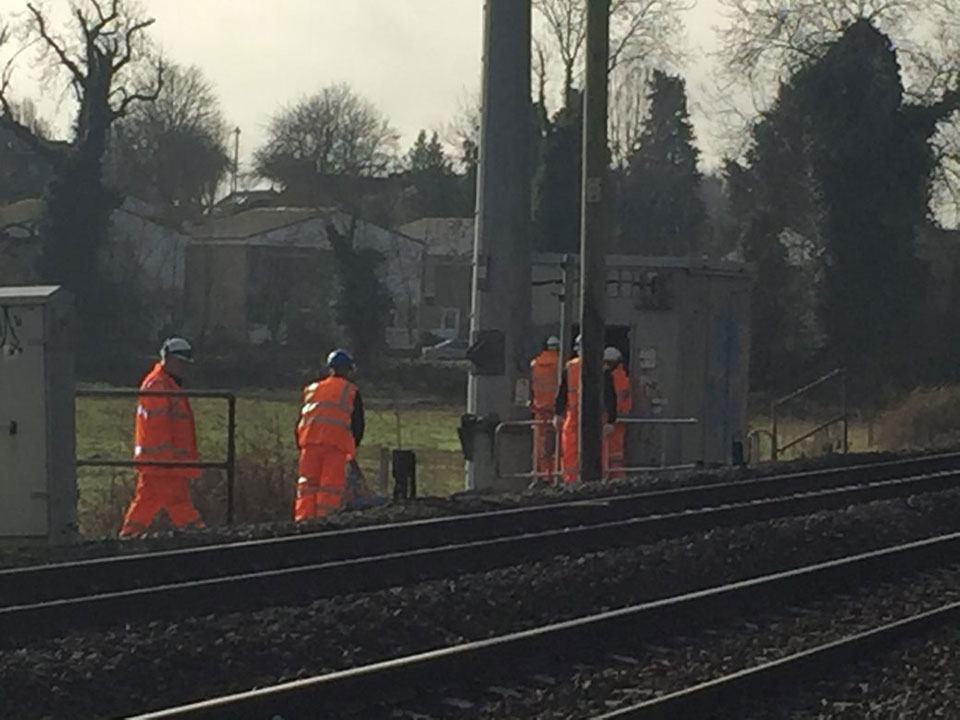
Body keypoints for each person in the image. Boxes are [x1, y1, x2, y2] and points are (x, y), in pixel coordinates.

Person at [120, 338, 204, 537]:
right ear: (170, 359)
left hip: (162, 463)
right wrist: (168, 461)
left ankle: (127, 537)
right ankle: (201, 537)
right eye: (181, 363)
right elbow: (157, 429)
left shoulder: (164, 384)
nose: (184, 368)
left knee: (148, 501)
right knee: (178, 504)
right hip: (164, 463)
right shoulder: (159, 385)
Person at [294, 349, 365, 521]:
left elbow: (303, 419)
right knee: (330, 487)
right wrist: (352, 448)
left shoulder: (312, 389)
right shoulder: (351, 391)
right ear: (348, 370)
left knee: (307, 484)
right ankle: (325, 522)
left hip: (309, 445)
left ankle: (302, 522)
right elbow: (358, 424)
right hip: (335, 446)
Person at [555, 335, 617, 485]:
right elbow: (563, 392)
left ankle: (585, 484)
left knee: (588, 452)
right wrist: (557, 413)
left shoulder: (600, 370)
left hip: (590, 417)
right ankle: (574, 484)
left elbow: (610, 397)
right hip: (578, 417)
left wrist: (611, 420)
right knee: (573, 453)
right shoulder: (574, 368)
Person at [529, 336, 561, 484]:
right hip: (557, 412)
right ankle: (555, 476)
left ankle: (542, 476)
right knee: (557, 446)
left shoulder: (535, 364)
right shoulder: (562, 364)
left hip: (539, 412)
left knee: (541, 447)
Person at [604, 346, 632, 479]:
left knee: (612, 454)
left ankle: (614, 478)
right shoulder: (623, 377)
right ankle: (617, 478)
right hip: (617, 419)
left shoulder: (611, 377)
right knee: (614, 454)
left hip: (613, 420)